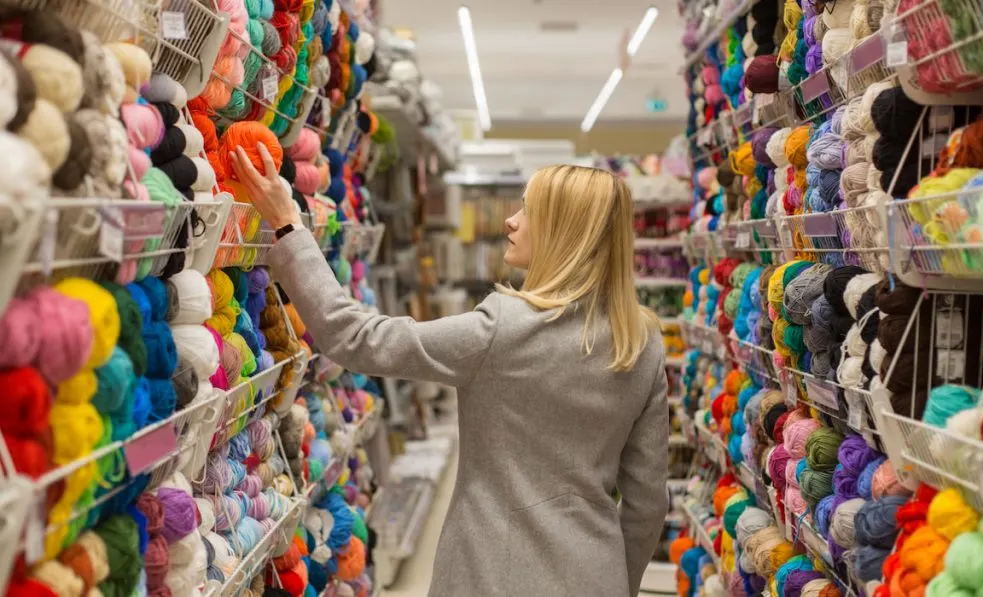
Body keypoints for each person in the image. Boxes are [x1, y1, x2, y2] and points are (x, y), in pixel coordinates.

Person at [232, 145, 669, 597]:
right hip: (594, 572)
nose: (511, 221)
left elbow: (357, 338)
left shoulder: (503, 327)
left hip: (490, 572)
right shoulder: (641, 343)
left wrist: (290, 228)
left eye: (529, 211)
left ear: (565, 233)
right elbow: (647, 502)